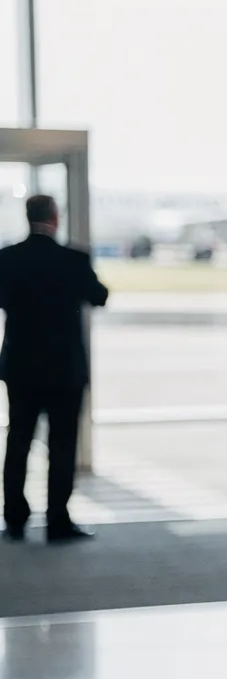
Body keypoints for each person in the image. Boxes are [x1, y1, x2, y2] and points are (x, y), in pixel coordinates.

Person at [0, 196, 109, 543]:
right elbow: (99, 296)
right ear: (55, 218)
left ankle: (15, 518)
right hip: (64, 370)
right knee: (62, 446)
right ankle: (57, 521)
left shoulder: (7, 259)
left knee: (18, 440)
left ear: (28, 217)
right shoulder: (73, 259)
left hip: (21, 367)